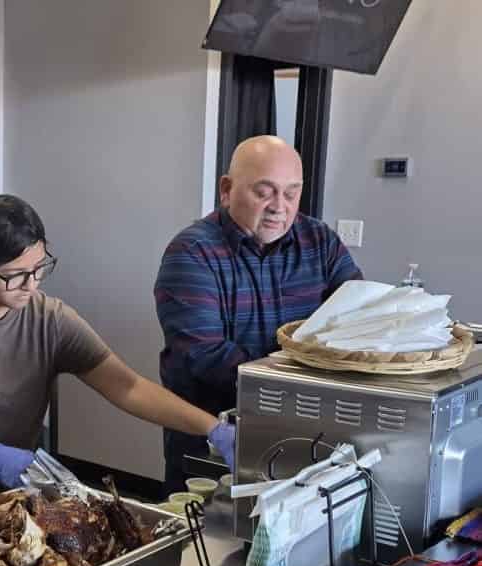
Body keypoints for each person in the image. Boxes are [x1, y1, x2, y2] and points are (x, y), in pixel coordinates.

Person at [0, 194, 235, 509]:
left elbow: (127, 387)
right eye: (16, 275)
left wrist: (211, 428)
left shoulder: (49, 319)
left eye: (39, 268)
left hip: (7, 503)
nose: (32, 284)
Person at [155, 135, 362, 492]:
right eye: (264, 192)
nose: (279, 206)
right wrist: (310, 392)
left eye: (291, 193)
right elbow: (205, 355)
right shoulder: (191, 253)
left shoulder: (320, 241)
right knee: (213, 542)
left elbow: (355, 318)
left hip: (309, 435)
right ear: (226, 189)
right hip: (216, 442)